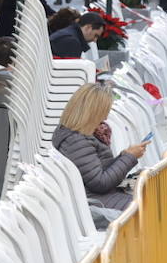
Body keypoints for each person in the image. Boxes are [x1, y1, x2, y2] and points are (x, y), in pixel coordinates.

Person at [53, 82, 147, 213]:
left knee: (152, 186)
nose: (105, 117)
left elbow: (98, 172)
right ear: (92, 112)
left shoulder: (80, 136)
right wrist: (129, 157)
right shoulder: (76, 142)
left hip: (103, 196)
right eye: (103, 112)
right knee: (151, 201)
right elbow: (101, 183)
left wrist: (125, 155)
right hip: (98, 203)